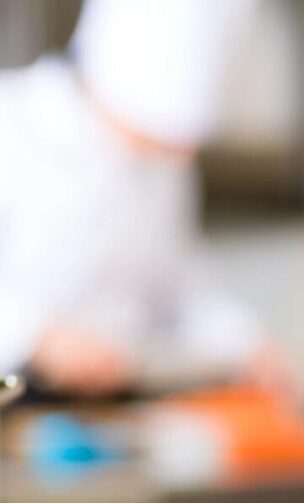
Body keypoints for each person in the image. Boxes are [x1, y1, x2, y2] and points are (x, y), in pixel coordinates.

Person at [0, 0, 277, 401]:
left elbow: (178, 286)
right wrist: (35, 335)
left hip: (109, 409)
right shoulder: (12, 122)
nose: (179, 156)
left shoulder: (163, 165)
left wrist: (244, 341)